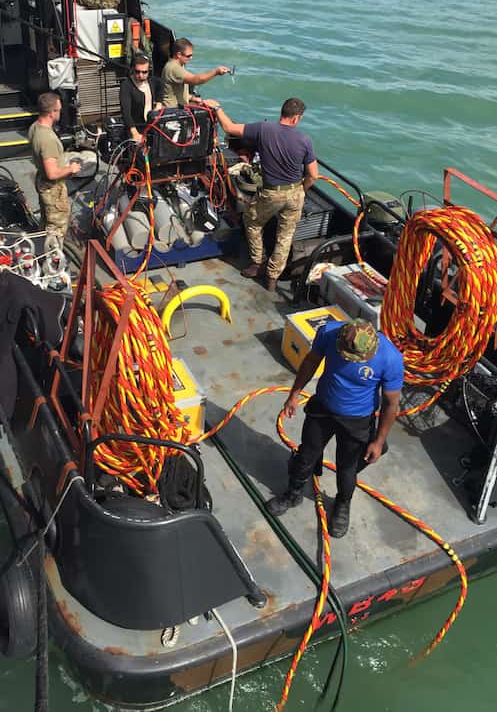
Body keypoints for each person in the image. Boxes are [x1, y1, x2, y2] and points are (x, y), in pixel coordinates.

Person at [267, 319, 404, 538]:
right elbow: (312, 361)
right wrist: (294, 394)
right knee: (306, 455)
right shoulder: (329, 332)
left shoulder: (390, 358)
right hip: (323, 409)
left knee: (346, 469)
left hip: (357, 421)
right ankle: (293, 493)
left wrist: (378, 441)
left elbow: (391, 403)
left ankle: (342, 503)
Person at [213, 97, 318, 292]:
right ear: (296, 119)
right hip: (295, 193)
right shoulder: (305, 140)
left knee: (252, 220)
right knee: (285, 236)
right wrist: (301, 190)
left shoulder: (263, 129)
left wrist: (217, 108)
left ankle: (257, 263)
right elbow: (313, 175)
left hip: (271, 193)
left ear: (282, 113)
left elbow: (229, 128)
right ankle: (272, 278)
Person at [28, 92, 81, 243]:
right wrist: (71, 168)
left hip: (42, 182)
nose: (61, 112)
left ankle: (44, 255)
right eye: (59, 109)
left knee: (46, 222)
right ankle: (54, 263)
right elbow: (52, 173)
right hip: (53, 189)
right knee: (56, 229)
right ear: (52, 113)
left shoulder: (34, 127)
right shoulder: (47, 139)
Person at [160, 38, 230, 108]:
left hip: (179, 107)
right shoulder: (174, 68)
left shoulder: (177, 65)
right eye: (188, 56)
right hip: (172, 110)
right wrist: (216, 72)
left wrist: (192, 98)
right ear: (179, 54)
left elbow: (174, 91)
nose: (191, 58)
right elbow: (196, 80)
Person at [119, 54, 162, 143]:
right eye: (137, 72)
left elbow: (160, 88)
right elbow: (125, 112)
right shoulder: (126, 85)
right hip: (135, 126)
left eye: (144, 72)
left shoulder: (153, 81)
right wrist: (134, 133)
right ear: (132, 70)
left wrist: (159, 104)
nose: (140, 75)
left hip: (151, 125)